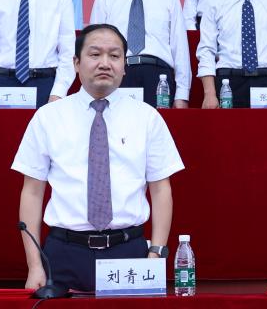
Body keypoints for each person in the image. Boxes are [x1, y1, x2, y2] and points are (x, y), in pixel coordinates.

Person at [13, 24, 182, 292]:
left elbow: (161, 190)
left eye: (114, 56)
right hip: (63, 253)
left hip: (128, 251)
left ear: (124, 66)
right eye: (95, 54)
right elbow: (32, 192)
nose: (105, 63)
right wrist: (34, 265)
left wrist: (156, 253)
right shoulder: (48, 117)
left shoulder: (147, 118)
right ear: (76, 63)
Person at [90, 0, 190, 108]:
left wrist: (182, 95)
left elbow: (180, 47)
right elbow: (94, 46)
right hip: (118, 73)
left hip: (159, 77)